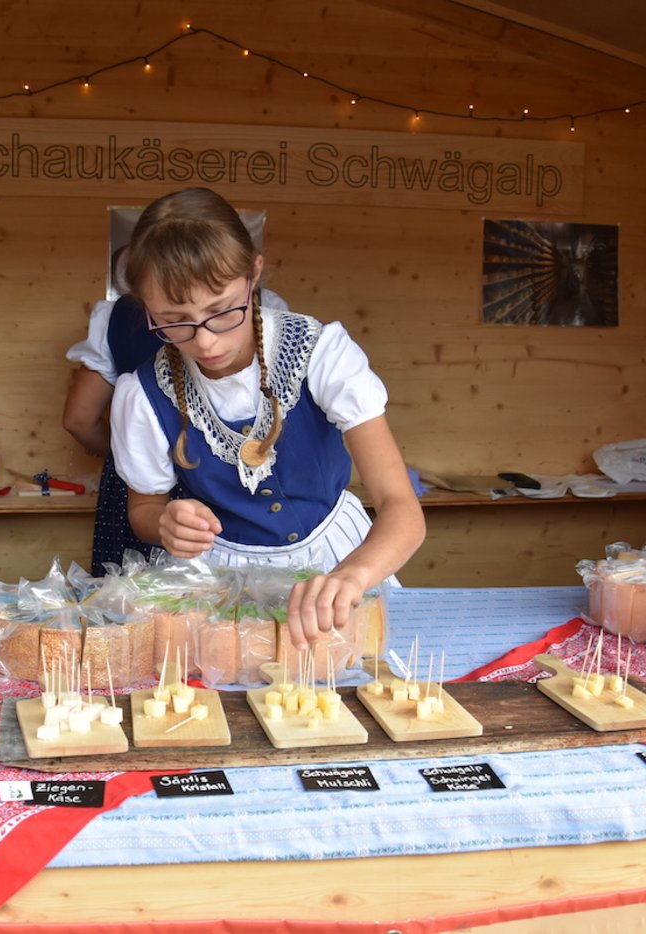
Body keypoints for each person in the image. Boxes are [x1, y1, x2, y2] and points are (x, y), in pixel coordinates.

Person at [108, 187, 425, 646]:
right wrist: (164, 523)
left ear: (254, 275)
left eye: (221, 311)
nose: (206, 343)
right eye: (174, 320)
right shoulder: (143, 393)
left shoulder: (320, 354)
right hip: (219, 578)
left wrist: (351, 577)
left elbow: (403, 510)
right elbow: (143, 507)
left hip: (341, 558)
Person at [63, 251, 290, 575]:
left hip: (143, 499)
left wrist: (131, 455)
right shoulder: (264, 304)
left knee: (133, 610)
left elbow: (78, 419)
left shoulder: (116, 317)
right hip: (238, 478)